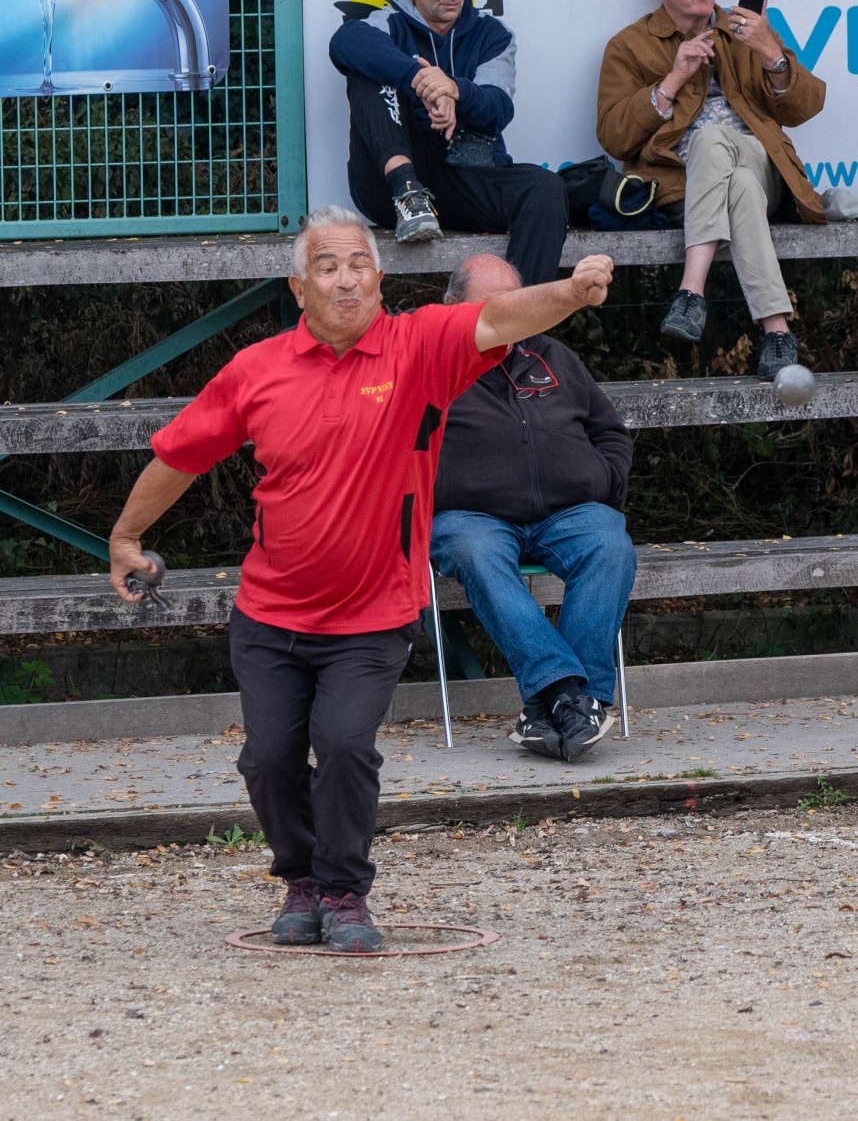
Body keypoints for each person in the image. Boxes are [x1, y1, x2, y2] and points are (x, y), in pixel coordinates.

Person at [108, 206, 614, 953]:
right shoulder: (257, 370)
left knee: (345, 745)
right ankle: (301, 880)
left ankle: (345, 892)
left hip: (374, 613)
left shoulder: (421, 347)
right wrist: (125, 535)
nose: (346, 280)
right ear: (299, 286)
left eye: (357, 265)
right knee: (270, 758)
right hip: (271, 611)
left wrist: (571, 291)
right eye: (327, 266)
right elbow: (180, 454)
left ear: (379, 277)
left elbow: (502, 315)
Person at [431, 254, 635, 763]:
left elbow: (609, 432)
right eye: (487, 307)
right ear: (451, 307)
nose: (502, 318)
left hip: (568, 512)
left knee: (610, 542)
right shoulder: (427, 366)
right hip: (470, 516)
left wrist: (603, 479)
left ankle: (556, 707)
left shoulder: (554, 355)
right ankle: (571, 695)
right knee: (474, 550)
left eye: (513, 305)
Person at [597, 0, 826, 381]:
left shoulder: (747, 30)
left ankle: (691, 292)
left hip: (761, 162)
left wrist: (772, 52)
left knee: (712, 139)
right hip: (683, 184)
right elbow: (614, 137)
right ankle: (778, 333)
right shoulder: (629, 44)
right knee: (740, 185)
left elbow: (805, 107)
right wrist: (672, 79)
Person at [328, 0, 570, 286]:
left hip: (461, 174)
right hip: (392, 188)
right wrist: (422, 81)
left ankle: (520, 322)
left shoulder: (493, 33)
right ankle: (408, 193)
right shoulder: (389, 21)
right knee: (367, 68)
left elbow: (498, 106)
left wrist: (455, 90)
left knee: (546, 188)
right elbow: (345, 41)